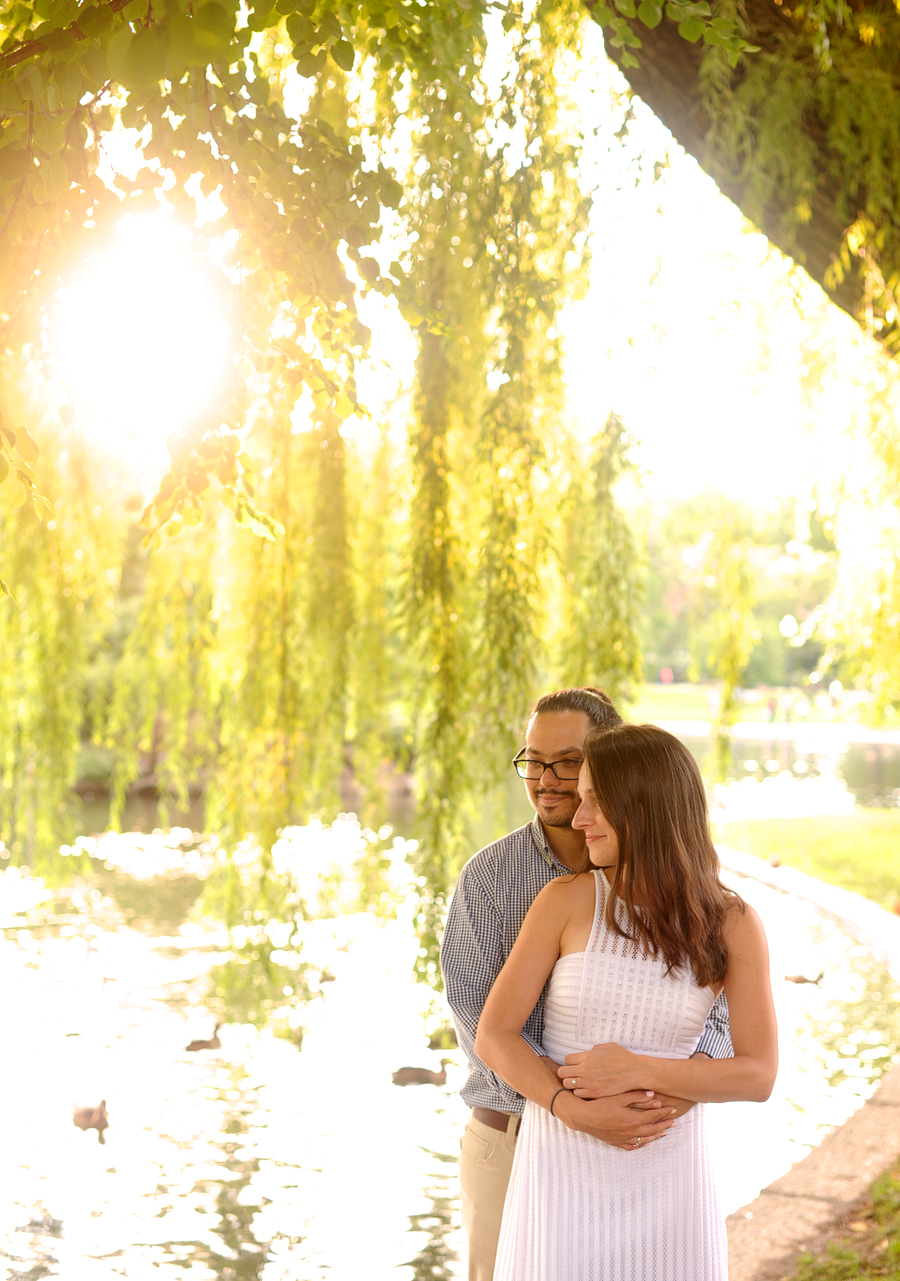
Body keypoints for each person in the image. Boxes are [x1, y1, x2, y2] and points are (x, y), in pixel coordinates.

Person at [441, 688, 733, 1281]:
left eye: (568, 763)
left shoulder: (689, 889)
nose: (546, 780)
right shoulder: (492, 878)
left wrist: (658, 1098)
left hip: (651, 1140)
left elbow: (719, 1026)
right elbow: (479, 1021)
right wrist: (575, 1107)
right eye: (533, 760)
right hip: (516, 1135)